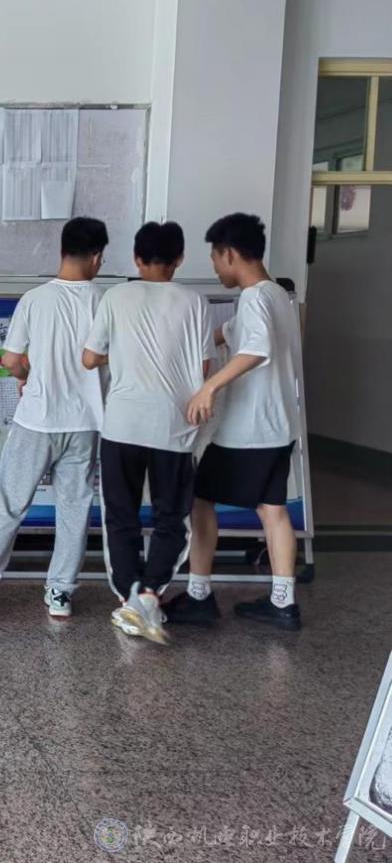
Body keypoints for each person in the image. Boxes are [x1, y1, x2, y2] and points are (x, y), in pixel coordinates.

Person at [0, 217, 108, 618]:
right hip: (86, 421)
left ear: (62, 250)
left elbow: (11, 360)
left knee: (10, 501)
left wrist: (27, 376)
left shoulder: (36, 299)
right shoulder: (105, 300)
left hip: (37, 418)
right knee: (74, 509)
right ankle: (60, 594)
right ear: (97, 257)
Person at [166, 213, 305, 630]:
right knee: (272, 509)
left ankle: (198, 596)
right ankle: (283, 602)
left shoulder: (256, 298)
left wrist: (208, 388)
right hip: (279, 426)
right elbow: (225, 334)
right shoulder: (276, 295)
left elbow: (256, 349)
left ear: (229, 254)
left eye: (214, 257)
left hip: (249, 431)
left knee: (201, 501)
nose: (214, 267)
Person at [82, 221, 213, 644]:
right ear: (179, 259)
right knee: (171, 516)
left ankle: (129, 596)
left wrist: (122, 355)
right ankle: (151, 593)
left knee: (120, 514)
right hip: (174, 426)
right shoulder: (195, 302)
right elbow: (204, 368)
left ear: (136, 259)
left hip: (122, 424)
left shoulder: (115, 297)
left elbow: (90, 358)